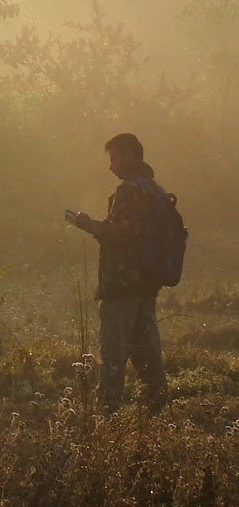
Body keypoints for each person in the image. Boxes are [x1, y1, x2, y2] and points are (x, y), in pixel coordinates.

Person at [71, 133, 170, 413]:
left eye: (114, 159)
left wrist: (88, 224)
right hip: (146, 283)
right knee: (146, 349)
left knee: (114, 351)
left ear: (129, 155)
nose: (111, 166)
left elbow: (121, 234)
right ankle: (156, 404)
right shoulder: (154, 188)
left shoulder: (129, 190)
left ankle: (108, 411)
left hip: (122, 284)